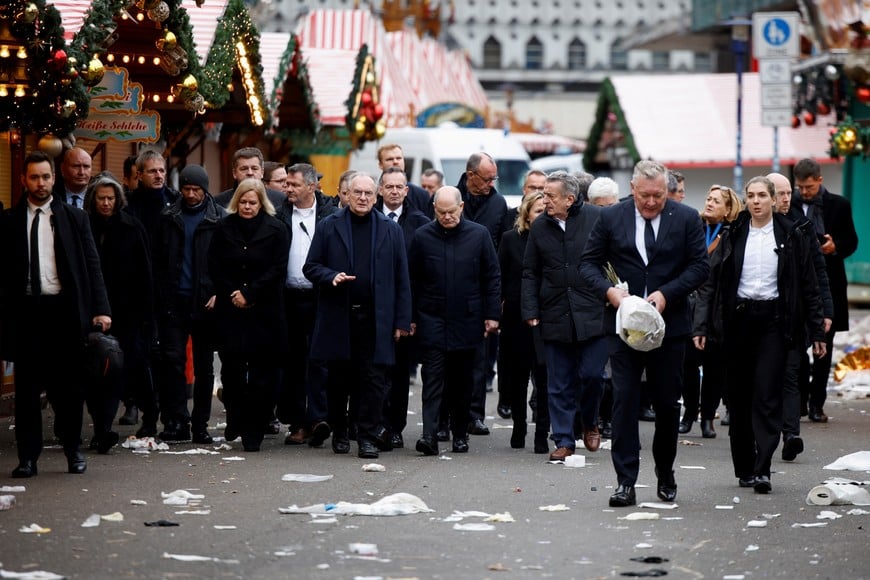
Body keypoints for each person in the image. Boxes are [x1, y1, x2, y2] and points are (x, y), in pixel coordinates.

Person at [579, 160, 709, 507]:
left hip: (670, 326)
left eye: (659, 196)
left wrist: (668, 294)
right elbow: (587, 265)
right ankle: (625, 481)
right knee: (624, 400)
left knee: (667, 404)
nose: (651, 203)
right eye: (645, 195)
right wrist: (610, 293)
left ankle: (665, 474)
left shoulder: (685, 218)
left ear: (667, 191)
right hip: (622, 326)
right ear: (633, 189)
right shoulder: (610, 218)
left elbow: (700, 266)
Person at [693, 176, 825, 494]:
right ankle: (745, 466)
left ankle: (763, 467)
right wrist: (701, 325)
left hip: (774, 322)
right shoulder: (735, 233)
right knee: (738, 398)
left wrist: (817, 327)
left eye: (762, 195)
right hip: (738, 320)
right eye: (750, 196)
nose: (756, 201)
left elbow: (809, 283)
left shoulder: (791, 234)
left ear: (773, 199)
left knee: (767, 394)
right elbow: (711, 281)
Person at [1, 151, 112, 478]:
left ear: (54, 178)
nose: (40, 183)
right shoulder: (8, 222)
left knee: (68, 389)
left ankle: (73, 451)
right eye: (34, 177)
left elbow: (93, 266)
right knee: (26, 391)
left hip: (63, 312)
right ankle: (27, 458)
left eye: (45, 177)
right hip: (26, 313)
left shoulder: (73, 218)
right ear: (23, 180)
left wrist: (102, 309)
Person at [303, 173, 412, 459]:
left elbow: (402, 278)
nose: (363, 198)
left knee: (373, 381)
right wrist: (331, 276)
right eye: (357, 193)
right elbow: (311, 267)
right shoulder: (329, 226)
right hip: (339, 316)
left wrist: (402, 320)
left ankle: (366, 436)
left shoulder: (390, 230)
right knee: (339, 379)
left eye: (368, 194)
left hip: (376, 319)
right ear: (346, 195)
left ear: (376, 197)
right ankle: (340, 432)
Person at [410, 186, 501, 456]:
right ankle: (429, 435)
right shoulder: (423, 236)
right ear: (434, 210)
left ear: (461, 208)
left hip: (467, 319)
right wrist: (411, 317)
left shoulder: (479, 235)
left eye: (451, 211)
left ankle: (460, 433)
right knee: (433, 378)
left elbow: (492, 277)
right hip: (432, 317)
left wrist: (492, 314)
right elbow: (412, 280)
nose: (447, 217)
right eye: (441, 212)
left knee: (463, 381)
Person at [522, 172, 606, 460]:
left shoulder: (596, 219)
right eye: (544, 195)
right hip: (554, 311)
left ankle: (590, 420)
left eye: (550, 196)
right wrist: (530, 310)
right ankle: (564, 440)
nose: (545, 200)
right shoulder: (540, 227)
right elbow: (530, 271)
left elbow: (613, 259)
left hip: (592, 310)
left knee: (593, 376)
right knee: (558, 382)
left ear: (570, 199)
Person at [209, 178, 290, 452]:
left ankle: (253, 430)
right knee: (231, 372)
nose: (247, 206)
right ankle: (235, 415)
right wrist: (234, 292)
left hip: (264, 311)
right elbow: (215, 265)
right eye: (243, 202)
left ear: (261, 203)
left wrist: (250, 293)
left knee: (261, 376)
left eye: (252, 202)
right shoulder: (223, 228)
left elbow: (278, 268)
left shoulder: (276, 229)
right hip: (231, 311)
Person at [82, 174, 158, 448]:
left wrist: (148, 316)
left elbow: (146, 273)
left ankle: (150, 415)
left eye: (110, 198)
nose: (105, 203)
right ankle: (102, 428)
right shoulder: (85, 226)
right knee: (101, 370)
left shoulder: (131, 227)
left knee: (136, 366)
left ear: (118, 200)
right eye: (101, 198)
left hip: (130, 311)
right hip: (95, 311)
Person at [153, 165, 225, 443]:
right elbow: (158, 259)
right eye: (187, 189)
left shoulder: (218, 219)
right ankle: (176, 421)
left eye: (196, 189)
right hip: (174, 299)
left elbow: (225, 262)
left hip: (206, 302)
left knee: (205, 367)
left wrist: (218, 291)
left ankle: (200, 425)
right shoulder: (169, 217)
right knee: (172, 362)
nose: (191, 194)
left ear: (205, 190)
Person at [769, 172, 833, 461]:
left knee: (791, 376)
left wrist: (822, 319)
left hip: (793, 318)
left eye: (787, 193)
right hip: (760, 318)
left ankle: (791, 434)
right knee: (765, 379)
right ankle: (764, 433)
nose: (786, 199)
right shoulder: (746, 227)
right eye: (779, 194)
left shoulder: (802, 226)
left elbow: (816, 275)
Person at [791, 158, 858, 423]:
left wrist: (835, 247)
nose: (804, 192)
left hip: (828, 282)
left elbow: (852, 241)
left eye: (808, 187)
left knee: (824, 348)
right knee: (796, 346)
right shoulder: (790, 204)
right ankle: (800, 399)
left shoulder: (839, 205)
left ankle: (817, 403)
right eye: (800, 187)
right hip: (796, 283)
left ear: (819, 180)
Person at [275, 163, 337, 447]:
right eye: (286, 183)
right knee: (292, 361)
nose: (288, 188)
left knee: (321, 360)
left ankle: (319, 419)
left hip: (321, 296)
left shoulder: (330, 216)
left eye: (294, 184)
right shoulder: (279, 215)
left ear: (312, 187)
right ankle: (298, 422)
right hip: (288, 298)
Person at [679, 185, 742, 439]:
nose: (710, 203)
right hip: (689, 305)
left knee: (715, 367)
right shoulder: (694, 230)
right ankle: (689, 414)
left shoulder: (731, 236)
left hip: (716, 310)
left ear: (728, 210)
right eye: (708, 198)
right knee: (688, 365)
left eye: (716, 201)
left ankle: (708, 418)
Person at [457, 152, 510, 436]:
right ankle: (445, 416)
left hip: (482, 290)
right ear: (470, 176)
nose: (491, 184)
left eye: (494, 179)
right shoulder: (449, 197)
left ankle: (474, 414)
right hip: (451, 287)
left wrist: (496, 297)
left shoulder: (498, 204)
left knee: (479, 358)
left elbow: (502, 252)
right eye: (487, 179)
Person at [377, 167, 430, 448]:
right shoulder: (368, 217)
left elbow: (421, 274)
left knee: (398, 373)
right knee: (373, 371)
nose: (395, 191)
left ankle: (394, 427)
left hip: (404, 309)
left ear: (407, 191)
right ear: (381, 189)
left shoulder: (420, 223)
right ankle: (372, 423)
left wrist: (411, 315)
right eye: (390, 186)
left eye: (400, 186)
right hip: (373, 308)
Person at [499, 192, 549, 452]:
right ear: (527, 213)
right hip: (516, 318)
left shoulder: (553, 239)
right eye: (538, 211)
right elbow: (501, 277)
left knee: (544, 377)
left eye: (545, 210)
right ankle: (519, 429)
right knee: (517, 379)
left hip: (547, 316)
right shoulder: (510, 239)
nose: (542, 215)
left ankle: (542, 433)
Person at [125, 149, 179, 242]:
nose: (158, 176)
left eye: (161, 171)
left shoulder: (176, 200)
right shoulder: (127, 202)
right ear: (140, 175)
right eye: (152, 171)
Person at [213, 147, 285, 209]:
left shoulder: (280, 200)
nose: (250, 173)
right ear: (234, 173)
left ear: (262, 172)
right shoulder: (218, 202)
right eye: (244, 169)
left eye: (254, 168)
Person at [376, 143, 434, 218]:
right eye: (390, 159)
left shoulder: (421, 195)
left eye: (399, 158)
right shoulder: (372, 194)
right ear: (380, 164)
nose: (395, 162)